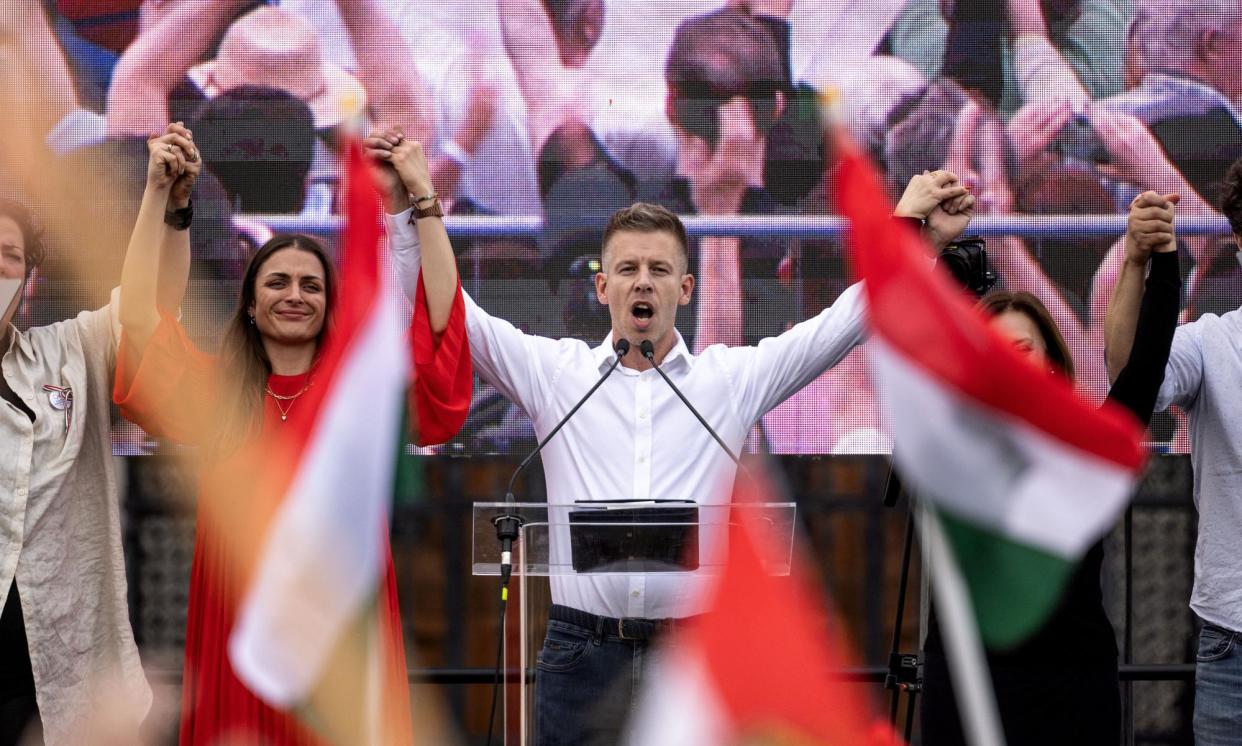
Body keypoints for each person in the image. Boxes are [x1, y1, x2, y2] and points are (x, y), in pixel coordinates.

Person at [372, 130, 971, 742]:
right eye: (627, 269)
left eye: (659, 270)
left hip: (693, 655)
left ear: (685, 289)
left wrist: (910, 238)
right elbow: (444, 309)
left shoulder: (729, 380)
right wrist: (406, 207)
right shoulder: (556, 374)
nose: (642, 283)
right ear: (602, 287)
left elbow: (840, 324)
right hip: (581, 654)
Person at [112, 127, 471, 744]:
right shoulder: (219, 395)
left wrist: (422, 199)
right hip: (239, 620)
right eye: (277, 282)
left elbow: (442, 331)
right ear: (249, 304)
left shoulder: (357, 403)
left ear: (332, 307)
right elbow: (143, 317)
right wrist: (161, 199)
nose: (295, 295)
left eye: (312, 285)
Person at [922, 190, 1180, 745]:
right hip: (968, 686)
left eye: (1023, 350)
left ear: (1052, 366)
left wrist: (1160, 255)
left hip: (1072, 691)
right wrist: (925, 238)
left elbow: (1145, 369)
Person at [0, 123, 201, 744]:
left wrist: (166, 207)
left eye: (7, 254)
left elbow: (146, 308)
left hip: (63, 658)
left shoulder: (68, 351)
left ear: (30, 271)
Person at [1105, 159, 1242, 744]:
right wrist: (1137, 261)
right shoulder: (1214, 340)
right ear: (1237, 240)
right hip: (1231, 637)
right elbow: (1128, 374)